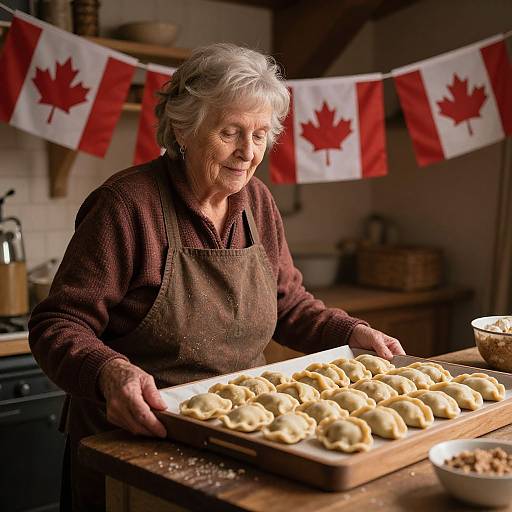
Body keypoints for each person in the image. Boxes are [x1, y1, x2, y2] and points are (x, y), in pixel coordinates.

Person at [29, 42, 405, 511]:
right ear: (183, 130)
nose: (248, 153)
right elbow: (57, 324)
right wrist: (109, 372)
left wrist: (349, 331)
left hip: (237, 435)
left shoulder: (258, 203)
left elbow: (288, 303)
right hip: (133, 443)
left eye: (261, 135)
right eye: (231, 132)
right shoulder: (127, 206)